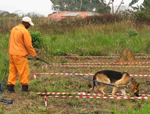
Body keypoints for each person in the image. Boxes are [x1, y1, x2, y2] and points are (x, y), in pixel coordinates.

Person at [7, 16, 39, 93]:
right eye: (29, 24)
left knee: (13, 71)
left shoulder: (14, 29)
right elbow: (28, 45)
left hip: (11, 54)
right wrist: (34, 55)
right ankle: (24, 88)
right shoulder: (24, 31)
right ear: (26, 23)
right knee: (24, 71)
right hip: (20, 55)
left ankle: (10, 88)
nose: (29, 26)